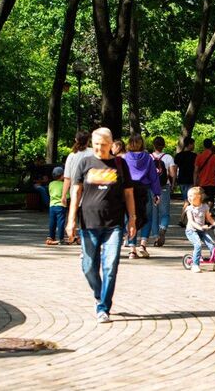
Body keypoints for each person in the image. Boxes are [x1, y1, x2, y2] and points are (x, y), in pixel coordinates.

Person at [65, 127, 136, 324]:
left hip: (114, 224)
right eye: (96, 144)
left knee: (110, 267)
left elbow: (129, 193)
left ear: (111, 144)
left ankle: (103, 307)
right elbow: (76, 193)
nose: (99, 148)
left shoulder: (120, 164)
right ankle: (99, 294)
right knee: (88, 266)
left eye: (103, 145)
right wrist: (71, 220)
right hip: (89, 222)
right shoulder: (85, 162)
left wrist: (132, 219)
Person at [125, 134, 162, 259]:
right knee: (147, 217)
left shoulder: (126, 157)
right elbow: (153, 176)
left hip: (129, 190)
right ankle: (143, 245)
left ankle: (132, 249)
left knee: (131, 217)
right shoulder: (147, 157)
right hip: (144, 189)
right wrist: (157, 193)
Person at [62, 131, 93, 244]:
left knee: (74, 212)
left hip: (75, 189)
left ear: (76, 140)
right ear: (88, 141)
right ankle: (83, 236)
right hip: (90, 189)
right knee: (86, 214)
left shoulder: (72, 155)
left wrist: (63, 195)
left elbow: (67, 177)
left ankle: (73, 235)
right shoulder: (92, 152)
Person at [184, 186, 215, 273]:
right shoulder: (189, 209)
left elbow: (209, 218)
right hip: (191, 231)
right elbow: (191, 222)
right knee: (198, 245)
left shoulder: (205, 207)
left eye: (191, 196)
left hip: (201, 231)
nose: (189, 198)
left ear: (199, 196)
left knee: (212, 245)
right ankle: (195, 265)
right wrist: (201, 227)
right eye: (188, 196)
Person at [150, 136, 176, 247]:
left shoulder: (148, 157)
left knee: (154, 214)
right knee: (165, 213)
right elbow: (172, 174)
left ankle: (156, 237)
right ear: (164, 145)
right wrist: (173, 184)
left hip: (152, 187)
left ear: (153, 145)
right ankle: (163, 228)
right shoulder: (168, 157)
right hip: (164, 187)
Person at [194, 138, 215, 208]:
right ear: (211, 145)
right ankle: (208, 212)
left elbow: (196, 171)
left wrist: (195, 183)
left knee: (202, 199)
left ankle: (204, 212)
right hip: (211, 182)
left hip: (201, 182)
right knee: (211, 199)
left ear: (204, 146)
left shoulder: (199, 156)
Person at [46, 166, 67, 245]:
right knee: (61, 222)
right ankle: (61, 238)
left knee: (52, 222)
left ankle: (51, 237)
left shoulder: (51, 184)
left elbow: (50, 193)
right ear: (62, 175)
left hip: (52, 205)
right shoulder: (63, 184)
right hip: (61, 205)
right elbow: (67, 195)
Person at [174, 137, 197, 202]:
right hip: (191, 180)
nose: (194, 146)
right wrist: (196, 181)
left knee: (186, 199)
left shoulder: (178, 155)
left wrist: (175, 180)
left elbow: (175, 169)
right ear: (189, 144)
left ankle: (186, 207)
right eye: (193, 144)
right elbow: (196, 170)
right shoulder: (194, 156)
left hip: (181, 179)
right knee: (190, 200)